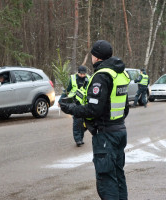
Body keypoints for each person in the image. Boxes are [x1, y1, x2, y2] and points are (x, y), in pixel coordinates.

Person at [60, 40, 130, 199]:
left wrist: (70, 109)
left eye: (92, 54)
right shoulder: (120, 73)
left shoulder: (102, 76)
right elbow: (125, 108)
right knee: (118, 177)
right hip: (119, 131)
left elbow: (93, 109)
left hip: (106, 136)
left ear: (96, 57)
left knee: (106, 180)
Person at [59, 65, 90, 147]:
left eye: (84, 74)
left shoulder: (89, 79)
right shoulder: (73, 79)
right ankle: (78, 139)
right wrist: (60, 100)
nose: (82, 76)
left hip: (84, 104)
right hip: (75, 103)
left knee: (84, 123)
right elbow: (67, 90)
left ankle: (81, 138)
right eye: (81, 74)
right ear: (78, 73)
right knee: (77, 122)